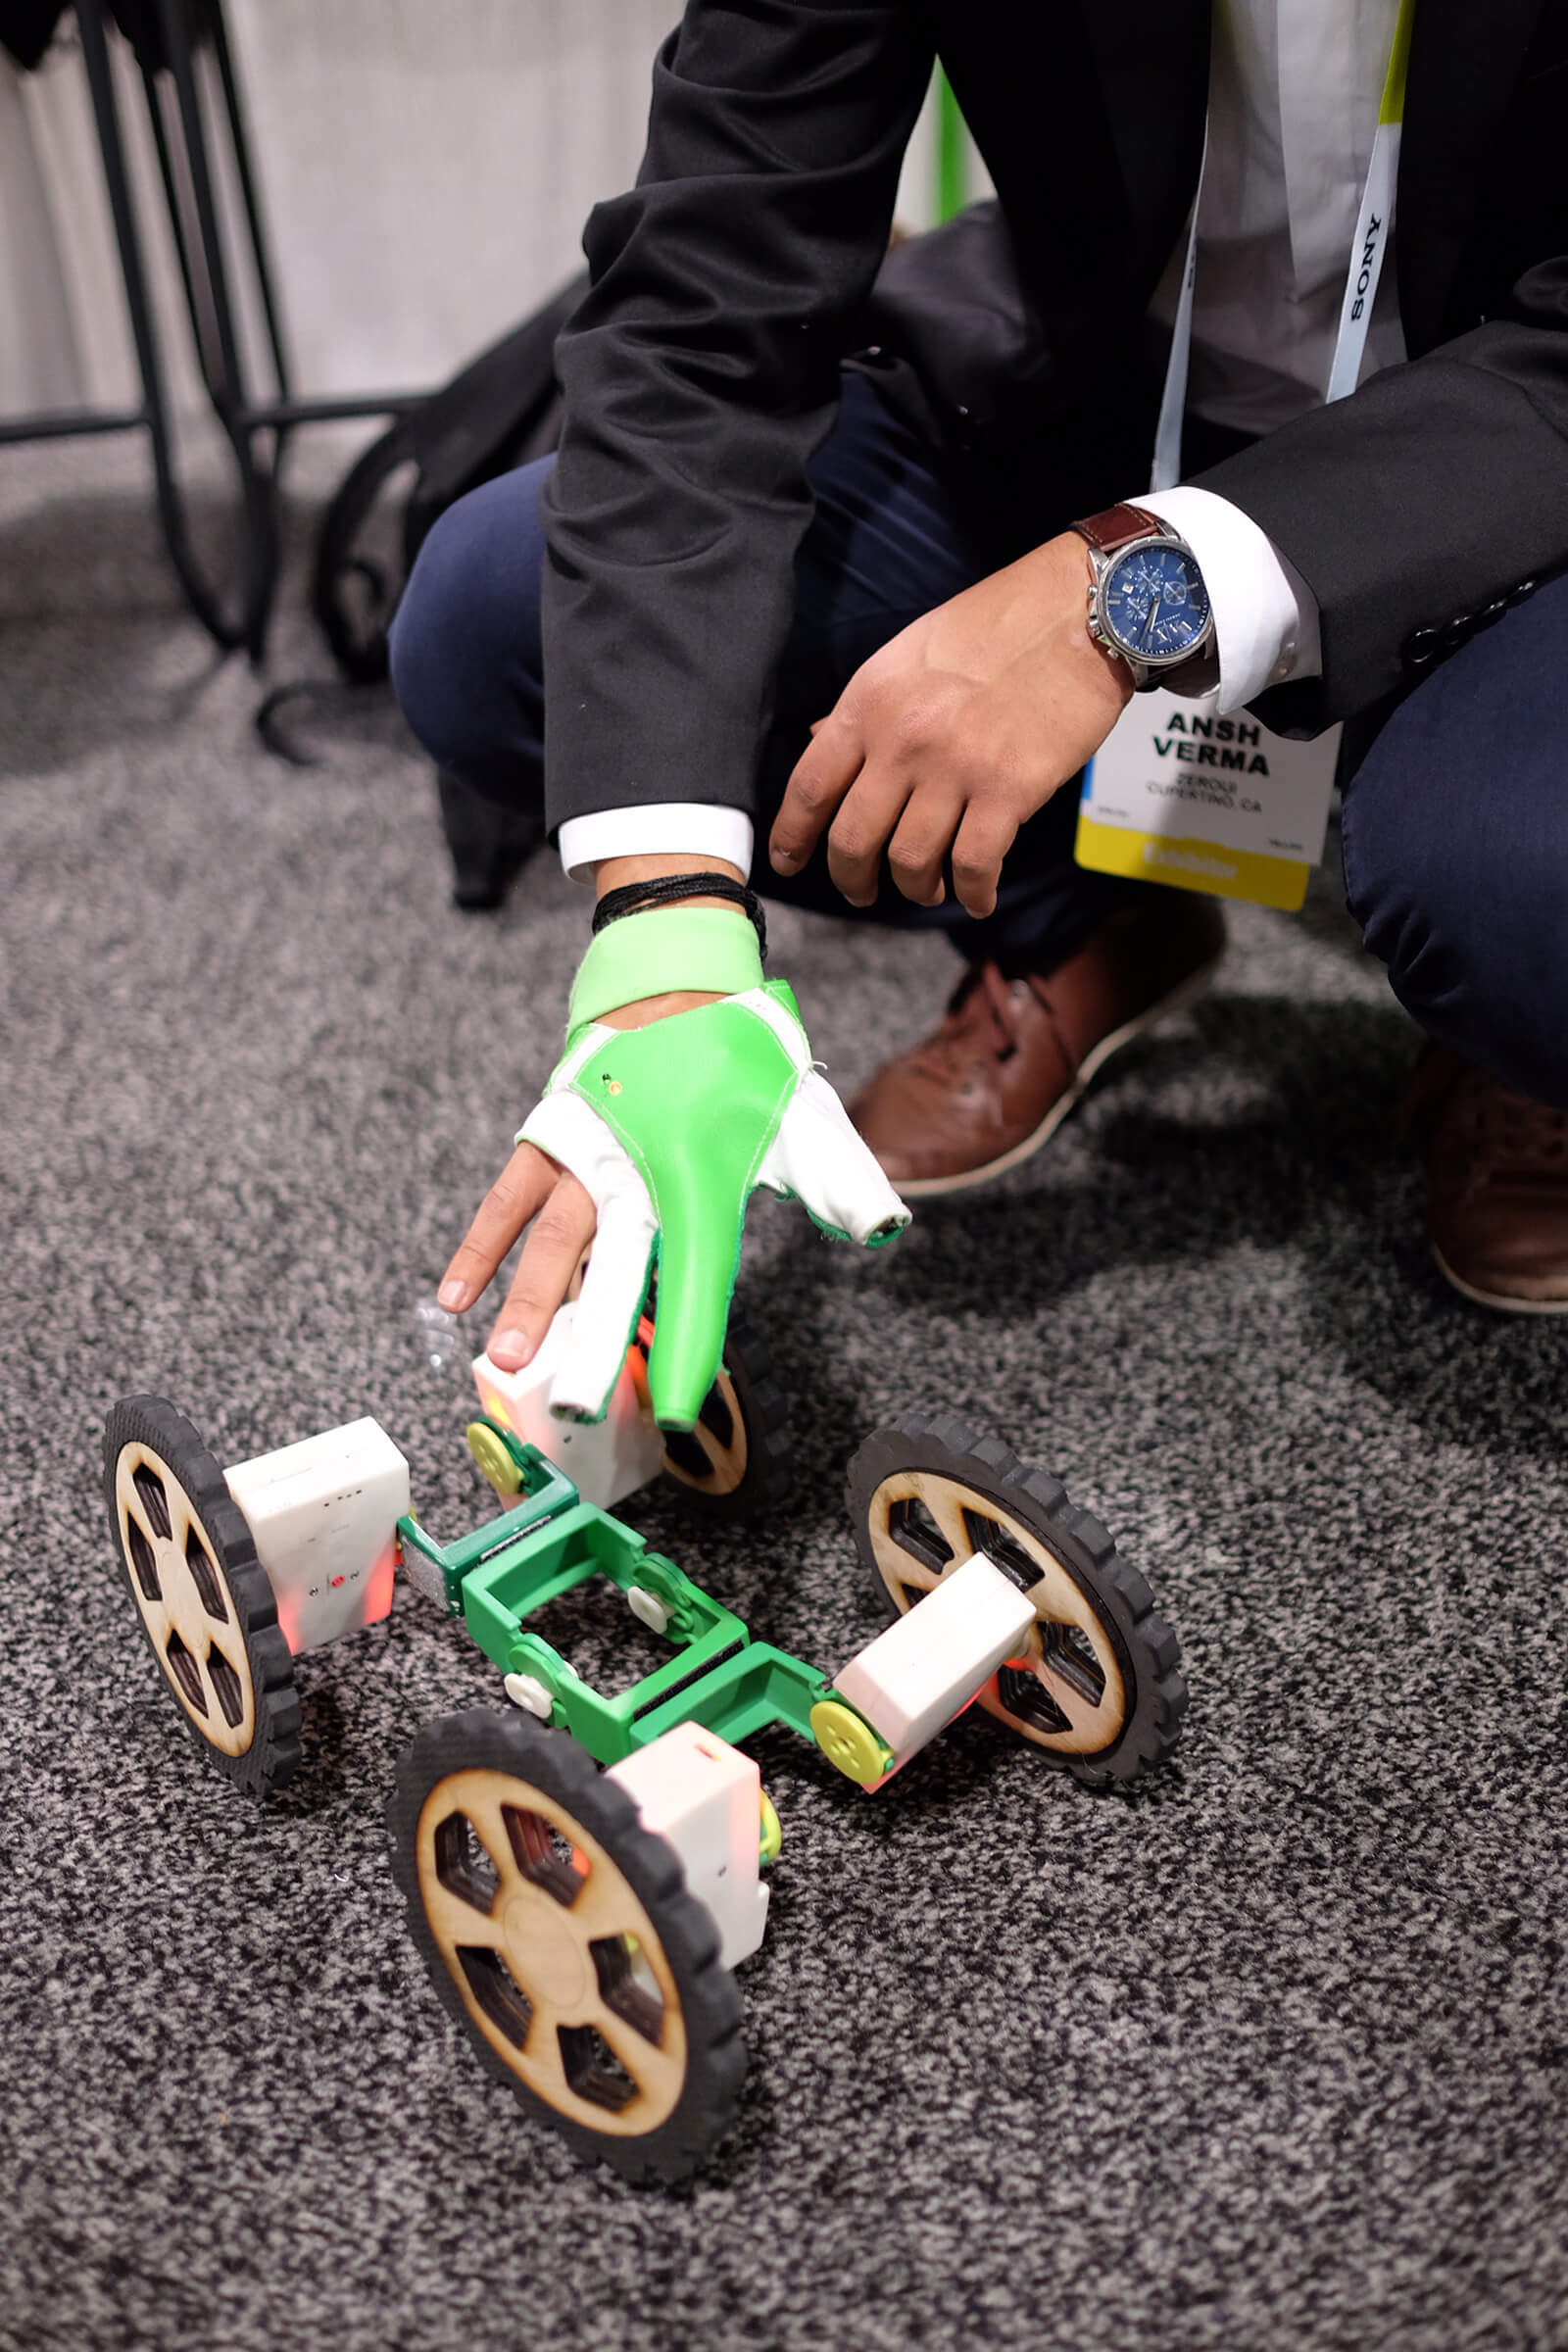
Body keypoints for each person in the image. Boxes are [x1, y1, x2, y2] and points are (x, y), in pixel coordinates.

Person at [389, 0, 1568, 1429]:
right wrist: (664, 929)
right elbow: (699, 310)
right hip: (1103, 384)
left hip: (1517, 445)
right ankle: (1080, 915)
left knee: (1524, 880)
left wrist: (1126, 596)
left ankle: (1516, 1042)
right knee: (501, 620)